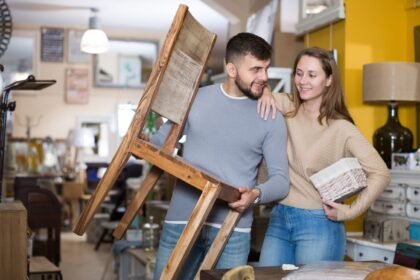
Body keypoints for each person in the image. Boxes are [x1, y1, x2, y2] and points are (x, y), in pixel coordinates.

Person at [150, 32, 290, 279]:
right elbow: (159, 143)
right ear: (232, 70)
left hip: (233, 230)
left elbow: (281, 181)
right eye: (256, 69)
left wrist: (256, 195)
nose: (264, 77)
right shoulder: (195, 99)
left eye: (266, 69)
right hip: (181, 221)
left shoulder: (270, 116)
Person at [257, 47, 391, 266]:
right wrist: (264, 91)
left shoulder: (341, 128)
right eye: (299, 73)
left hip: (319, 223)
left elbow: (381, 173)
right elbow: (257, 96)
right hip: (279, 217)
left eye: (312, 75)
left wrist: (350, 211)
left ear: (329, 80)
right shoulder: (286, 105)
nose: (303, 81)